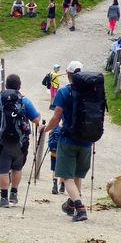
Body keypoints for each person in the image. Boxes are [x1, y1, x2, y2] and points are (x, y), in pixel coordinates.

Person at [42, 61, 94, 222]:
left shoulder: (64, 92)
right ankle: (71, 205)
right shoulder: (92, 92)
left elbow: (56, 118)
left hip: (68, 139)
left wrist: (46, 129)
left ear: (69, 74)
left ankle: (80, 208)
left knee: (66, 176)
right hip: (87, 140)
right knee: (77, 175)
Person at [0, 74, 42, 207]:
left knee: (3, 169)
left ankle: (3, 199)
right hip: (20, 141)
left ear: (6, 86)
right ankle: (14, 194)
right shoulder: (24, 101)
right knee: (17, 167)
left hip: (1, 140)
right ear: (19, 86)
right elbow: (36, 120)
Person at [47, 125, 64, 194]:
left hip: (54, 152)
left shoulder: (54, 128)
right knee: (64, 169)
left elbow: (50, 138)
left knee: (54, 169)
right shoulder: (66, 128)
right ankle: (62, 186)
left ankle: (55, 185)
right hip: (64, 152)